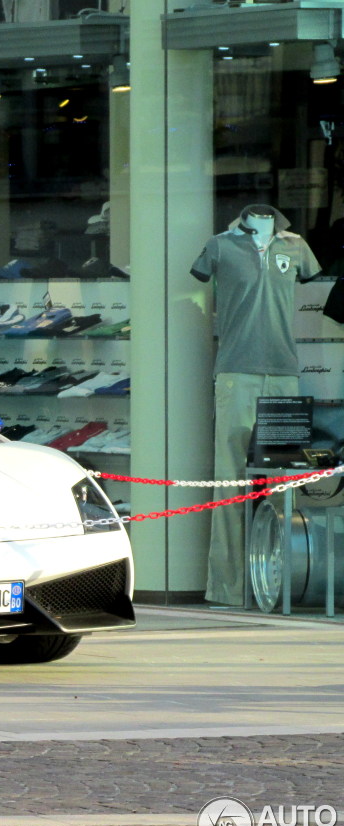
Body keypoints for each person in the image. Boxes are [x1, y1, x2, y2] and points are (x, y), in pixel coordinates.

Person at [190, 204, 321, 606]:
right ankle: (228, 588)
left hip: (283, 371)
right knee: (230, 480)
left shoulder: (296, 247)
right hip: (236, 372)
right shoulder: (219, 245)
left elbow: (310, 275)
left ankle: (282, 584)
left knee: (285, 483)